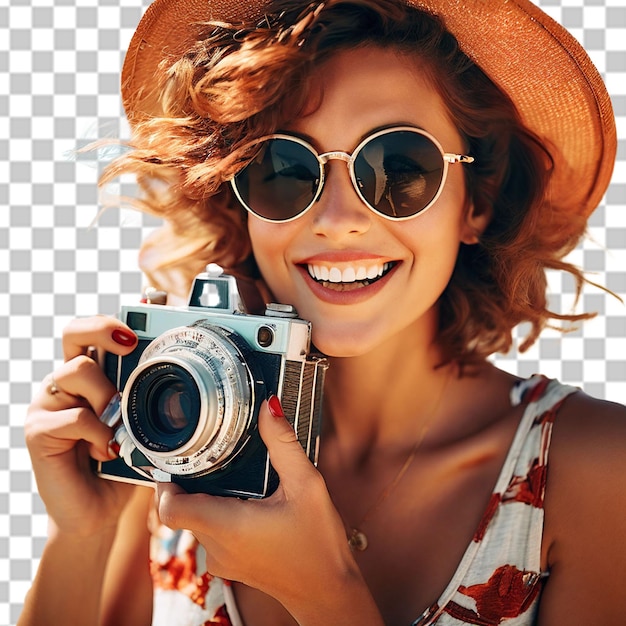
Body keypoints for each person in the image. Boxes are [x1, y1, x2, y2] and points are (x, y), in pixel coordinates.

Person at [18, 0, 626, 624]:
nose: (337, 221)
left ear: (477, 202)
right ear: (241, 199)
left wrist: (325, 595)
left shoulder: (597, 470)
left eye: (399, 167)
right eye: (283, 168)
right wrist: (83, 535)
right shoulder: (168, 439)